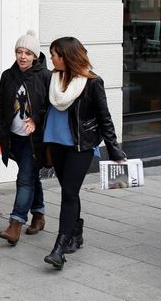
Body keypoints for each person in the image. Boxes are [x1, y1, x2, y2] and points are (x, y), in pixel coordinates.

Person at [43, 36, 127, 270]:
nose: (51, 58)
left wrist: (114, 150)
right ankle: (76, 232)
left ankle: (59, 248)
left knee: (69, 193)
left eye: (55, 54)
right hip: (55, 143)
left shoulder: (92, 82)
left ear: (66, 57)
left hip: (81, 146)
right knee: (69, 191)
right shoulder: (52, 79)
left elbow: (105, 118)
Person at [0, 30, 52, 246]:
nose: (23, 56)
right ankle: (39, 214)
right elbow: (0, 104)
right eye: (19, 51)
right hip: (13, 137)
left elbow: (51, 107)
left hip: (34, 140)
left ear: (36, 56)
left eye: (28, 53)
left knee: (25, 178)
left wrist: (36, 119)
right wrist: (1, 126)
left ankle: (15, 224)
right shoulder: (8, 75)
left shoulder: (45, 76)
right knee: (30, 175)